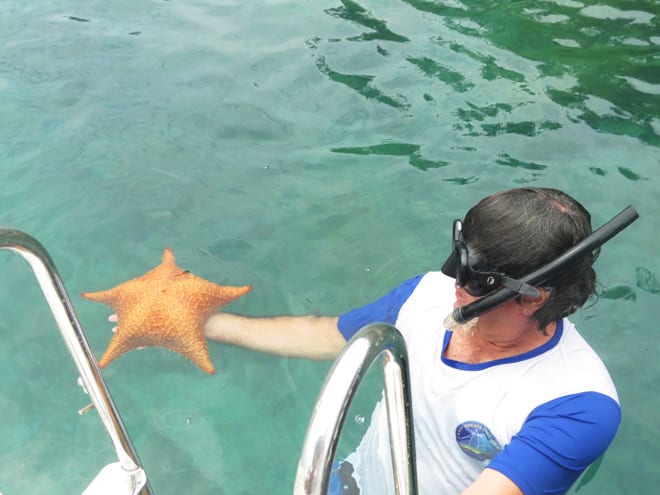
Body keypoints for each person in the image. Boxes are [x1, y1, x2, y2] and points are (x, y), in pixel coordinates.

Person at [204, 187, 625, 495]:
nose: (451, 280)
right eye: (460, 257)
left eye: (476, 278)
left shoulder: (576, 404)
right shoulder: (426, 295)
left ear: (534, 299)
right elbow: (326, 334)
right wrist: (209, 325)